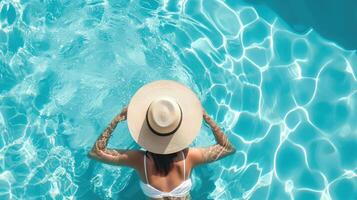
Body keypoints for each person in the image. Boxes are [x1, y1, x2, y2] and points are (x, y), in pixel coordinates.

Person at [88, 80, 236, 200]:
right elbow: (227, 148)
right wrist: (206, 117)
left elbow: (96, 152)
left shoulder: (140, 161)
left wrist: (117, 119)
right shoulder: (189, 157)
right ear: (179, 130)